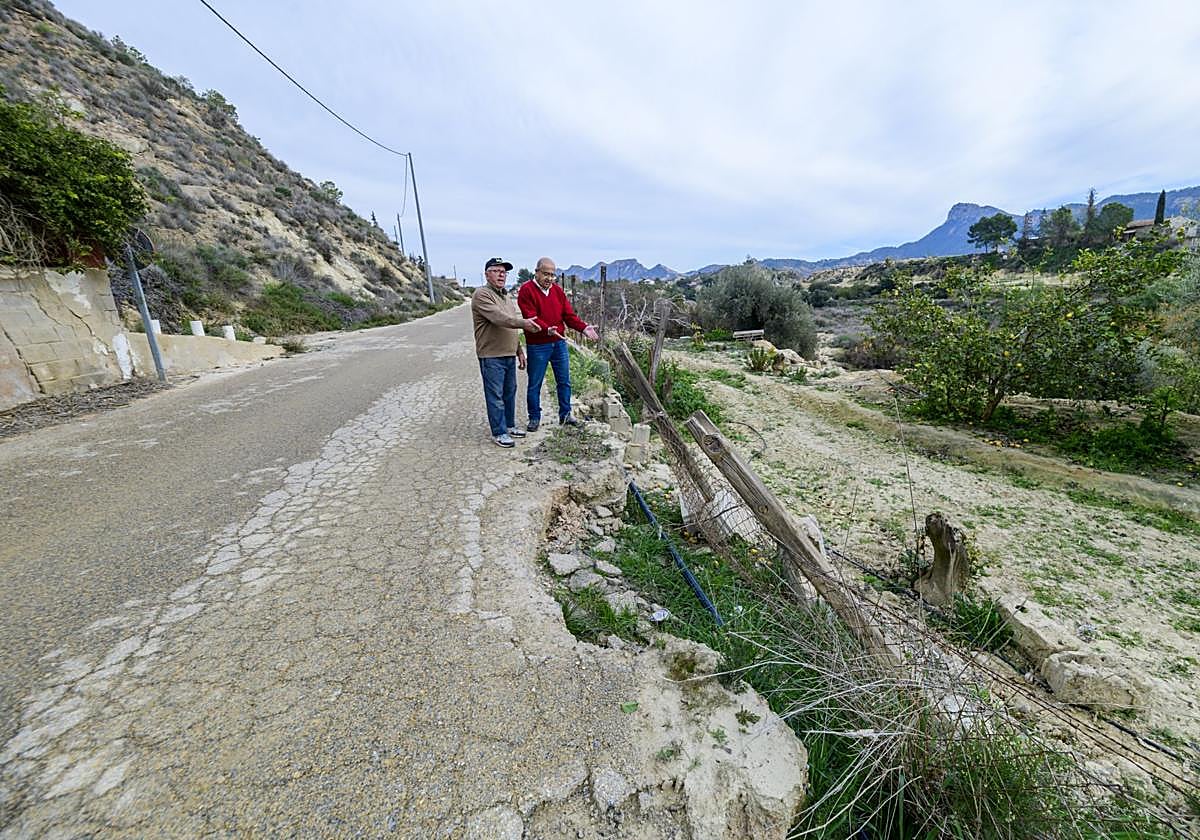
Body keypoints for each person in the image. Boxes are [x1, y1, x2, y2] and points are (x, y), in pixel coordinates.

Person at [517, 257, 599, 431]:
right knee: (535, 383)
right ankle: (534, 417)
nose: (549, 278)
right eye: (546, 274)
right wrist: (547, 329)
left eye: (552, 275)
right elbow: (530, 316)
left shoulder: (557, 291)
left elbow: (568, 316)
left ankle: (565, 415)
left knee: (564, 381)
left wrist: (583, 328)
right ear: (536, 272)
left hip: (558, 343)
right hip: (538, 345)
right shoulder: (526, 291)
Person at [471, 257, 541, 447]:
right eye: (496, 270)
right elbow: (500, 319)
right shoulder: (482, 295)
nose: (501, 274)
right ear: (487, 274)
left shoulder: (506, 297)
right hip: (491, 356)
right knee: (495, 396)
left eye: (504, 271)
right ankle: (499, 432)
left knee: (510, 392)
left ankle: (509, 426)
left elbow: (511, 326)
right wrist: (525, 323)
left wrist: (518, 350)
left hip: (508, 354)